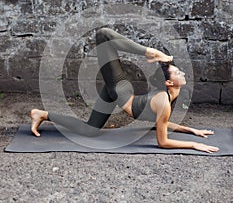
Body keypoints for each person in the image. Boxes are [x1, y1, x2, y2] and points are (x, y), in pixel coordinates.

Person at [31, 27, 219, 153]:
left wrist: (192, 130)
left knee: (90, 130)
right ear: (169, 82)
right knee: (103, 35)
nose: (183, 73)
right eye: (178, 72)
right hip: (120, 91)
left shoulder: (169, 97)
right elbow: (163, 142)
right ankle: (151, 52)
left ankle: (42, 114)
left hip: (119, 94)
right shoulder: (164, 100)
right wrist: (194, 145)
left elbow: (161, 123)